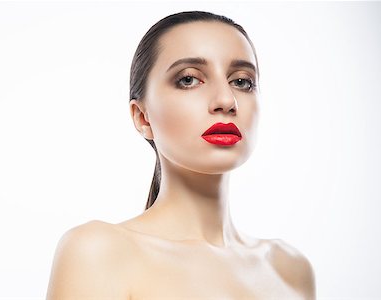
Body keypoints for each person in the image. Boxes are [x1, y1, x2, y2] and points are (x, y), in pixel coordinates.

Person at [46, 10, 316, 299]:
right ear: (142, 117)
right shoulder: (99, 253)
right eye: (189, 80)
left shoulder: (290, 269)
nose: (226, 100)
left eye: (241, 81)